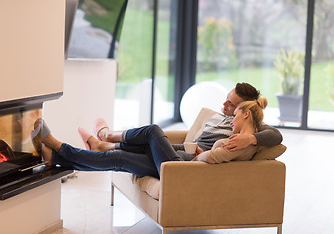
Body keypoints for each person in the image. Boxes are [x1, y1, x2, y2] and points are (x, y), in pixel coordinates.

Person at [37, 96, 269, 179]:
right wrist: (200, 151)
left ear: (246, 114)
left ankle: (83, 142)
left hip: (180, 169)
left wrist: (203, 153)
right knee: (120, 159)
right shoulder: (243, 137)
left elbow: (214, 159)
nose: (233, 120)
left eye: (236, 114)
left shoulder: (243, 141)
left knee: (152, 131)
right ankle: (57, 157)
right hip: (180, 161)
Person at [90, 83, 282, 154]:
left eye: (231, 104)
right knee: (152, 137)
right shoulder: (221, 117)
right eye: (226, 99)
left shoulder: (248, 125)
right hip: (188, 150)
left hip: (191, 156)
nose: (224, 105)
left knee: (152, 132)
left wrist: (249, 138)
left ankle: (108, 137)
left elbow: (276, 135)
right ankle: (106, 143)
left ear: (244, 110)